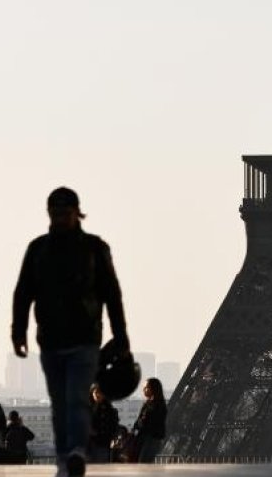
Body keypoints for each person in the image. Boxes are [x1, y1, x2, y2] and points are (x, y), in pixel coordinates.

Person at [12, 187, 130, 477]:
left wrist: (121, 337)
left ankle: (73, 451)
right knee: (63, 401)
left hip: (81, 339)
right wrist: (19, 330)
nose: (61, 218)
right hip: (57, 338)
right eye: (56, 212)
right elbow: (23, 293)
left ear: (77, 213)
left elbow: (112, 295)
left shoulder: (49, 249)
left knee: (73, 398)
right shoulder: (84, 249)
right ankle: (69, 454)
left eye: (65, 212)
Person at [132, 379, 166, 463]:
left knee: (143, 463)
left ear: (154, 388)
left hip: (151, 439)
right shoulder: (149, 404)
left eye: (146, 387)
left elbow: (150, 423)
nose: (144, 390)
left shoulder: (158, 405)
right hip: (146, 438)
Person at [88, 385, 119, 463]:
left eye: (100, 393)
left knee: (101, 466)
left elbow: (114, 426)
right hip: (88, 444)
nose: (98, 395)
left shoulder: (110, 410)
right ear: (92, 393)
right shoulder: (87, 408)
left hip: (103, 443)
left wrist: (113, 438)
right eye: (96, 392)